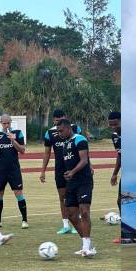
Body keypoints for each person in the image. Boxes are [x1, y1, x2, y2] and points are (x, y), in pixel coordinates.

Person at [40, 109, 84, 234]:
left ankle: (77, 223)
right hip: (60, 169)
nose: (57, 123)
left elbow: (84, 149)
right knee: (62, 197)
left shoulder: (75, 128)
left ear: (65, 118)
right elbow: (47, 153)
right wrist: (42, 171)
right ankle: (65, 225)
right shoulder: (49, 133)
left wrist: (89, 165)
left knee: (76, 196)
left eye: (60, 120)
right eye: (55, 121)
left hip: (74, 168)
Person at [58, 119, 96, 257]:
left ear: (68, 128)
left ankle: (86, 248)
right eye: (57, 131)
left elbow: (84, 160)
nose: (59, 133)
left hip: (84, 182)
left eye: (61, 130)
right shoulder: (65, 143)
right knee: (72, 215)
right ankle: (88, 245)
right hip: (71, 183)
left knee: (84, 212)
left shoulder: (79, 139)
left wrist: (73, 172)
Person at [0, 114, 28, 228]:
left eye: (8, 123)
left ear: (11, 122)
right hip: (0, 169)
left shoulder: (17, 133)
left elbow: (22, 150)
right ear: (1, 122)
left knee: (18, 193)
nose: (6, 125)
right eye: (4, 123)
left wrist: (13, 140)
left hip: (14, 169)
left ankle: (24, 220)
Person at [108, 111, 121, 211]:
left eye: (115, 124)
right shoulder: (115, 136)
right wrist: (115, 174)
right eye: (110, 124)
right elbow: (120, 155)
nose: (113, 127)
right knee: (120, 201)